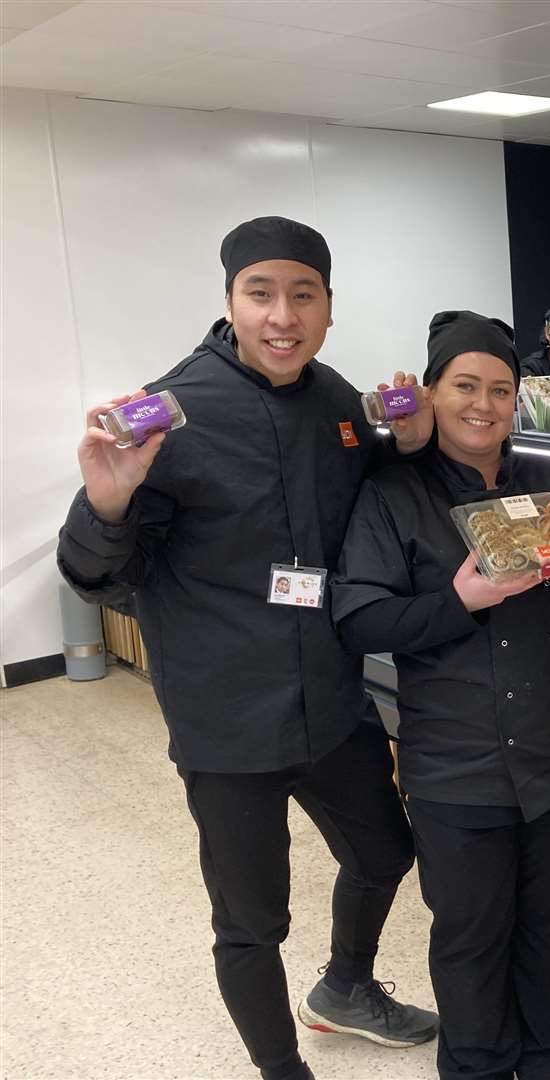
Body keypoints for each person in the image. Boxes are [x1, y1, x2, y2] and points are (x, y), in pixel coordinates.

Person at [57, 216, 439, 1080]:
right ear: (230, 301)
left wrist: (409, 450)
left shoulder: (340, 402)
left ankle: (346, 987)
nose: (282, 315)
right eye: (261, 293)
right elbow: (94, 577)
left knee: (385, 853)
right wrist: (108, 504)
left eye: (303, 294)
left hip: (333, 701)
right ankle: (281, 1070)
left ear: (329, 309)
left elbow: (374, 514)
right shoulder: (170, 415)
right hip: (228, 720)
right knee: (250, 921)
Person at [332, 310, 550, 1080]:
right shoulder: (394, 495)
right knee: (470, 938)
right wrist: (459, 599)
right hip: (457, 768)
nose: (484, 404)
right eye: (464, 385)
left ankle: (549, 1065)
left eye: (501, 388)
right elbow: (360, 618)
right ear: (431, 393)